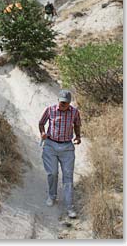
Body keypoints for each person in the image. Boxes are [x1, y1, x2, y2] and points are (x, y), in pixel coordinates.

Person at [38, 89, 81, 218]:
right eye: (62, 102)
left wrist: (78, 136)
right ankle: (52, 196)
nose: (63, 105)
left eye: (66, 103)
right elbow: (41, 123)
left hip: (67, 147)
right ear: (58, 100)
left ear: (69, 103)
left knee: (68, 176)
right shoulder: (50, 110)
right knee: (52, 173)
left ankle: (69, 206)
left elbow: (77, 124)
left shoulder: (74, 112)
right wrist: (42, 133)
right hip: (50, 145)